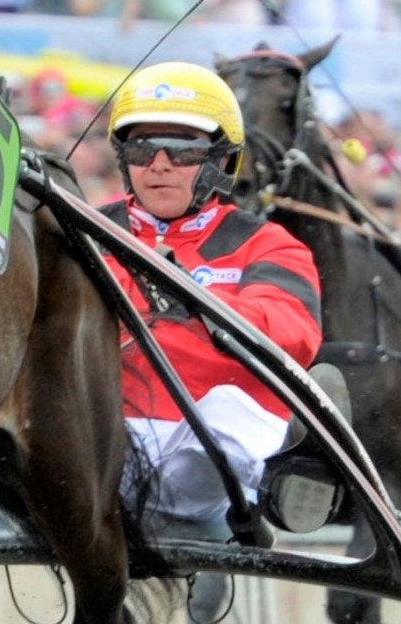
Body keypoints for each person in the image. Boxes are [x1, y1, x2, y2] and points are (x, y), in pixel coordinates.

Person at [98, 62, 323, 528]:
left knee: (225, 410)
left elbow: (295, 337)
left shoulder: (266, 243)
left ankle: (296, 472)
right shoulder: (81, 229)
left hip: (201, 460)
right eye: (141, 148)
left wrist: (196, 302)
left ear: (221, 161)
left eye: (183, 150)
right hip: (91, 444)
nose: (159, 164)